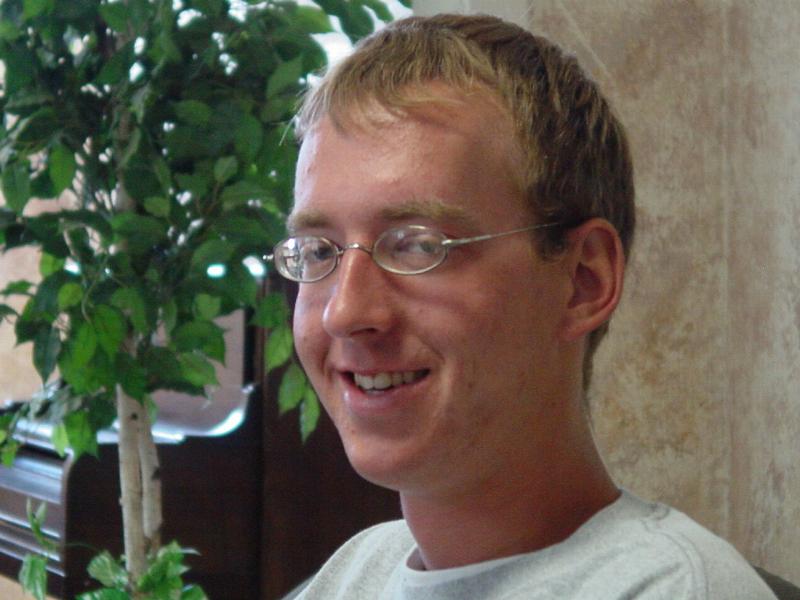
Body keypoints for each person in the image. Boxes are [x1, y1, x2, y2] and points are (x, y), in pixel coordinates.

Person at [272, 13, 777, 599]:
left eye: (417, 245)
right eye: (319, 250)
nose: (344, 312)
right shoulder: (350, 577)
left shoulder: (670, 589)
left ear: (583, 281)